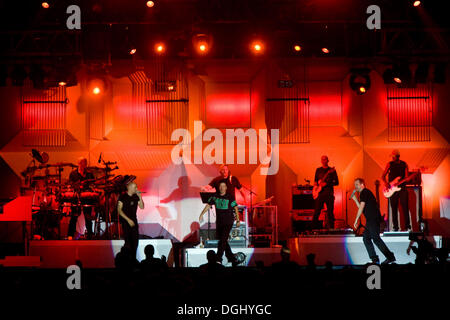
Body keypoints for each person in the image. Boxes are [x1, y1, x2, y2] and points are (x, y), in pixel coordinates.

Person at [351, 178, 396, 264]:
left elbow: (361, 207)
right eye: (355, 185)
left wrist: (356, 219)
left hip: (373, 219)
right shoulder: (364, 193)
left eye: (357, 184)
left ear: (362, 184)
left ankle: (390, 257)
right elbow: (362, 208)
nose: (355, 186)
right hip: (370, 220)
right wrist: (355, 200)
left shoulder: (364, 192)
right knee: (366, 238)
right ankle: (375, 259)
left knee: (376, 239)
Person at [199, 181, 240, 266]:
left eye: (223, 186)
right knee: (223, 241)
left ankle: (218, 259)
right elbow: (208, 205)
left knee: (222, 240)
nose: (221, 188)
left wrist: (238, 220)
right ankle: (232, 258)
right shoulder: (215, 196)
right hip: (220, 222)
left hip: (228, 221)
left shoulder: (230, 197)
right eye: (220, 186)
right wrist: (202, 214)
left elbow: (235, 208)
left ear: (226, 188)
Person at [382, 149, 411, 231]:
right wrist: (386, 183)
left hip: (402, 188)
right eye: (392, 156)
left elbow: (407, 177)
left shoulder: (404, 164)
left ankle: (407, 227)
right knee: (394, 208)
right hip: (392, 189)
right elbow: (383, 176)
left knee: (405, 207)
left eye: (394, 156)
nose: (392, 158)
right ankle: (395, 228)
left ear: (398, 156)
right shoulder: (389, 164)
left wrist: (404, 180)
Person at [67, 157, 95, 239]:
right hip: (76, 197)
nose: (85, 165)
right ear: (79, 163)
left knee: (88, 217)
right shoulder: (73, 174)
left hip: (87, 197)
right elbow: (71, 185)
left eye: (86, 163)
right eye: (83, 163)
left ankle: (90, 234)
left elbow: (93, 184)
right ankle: (70, 235)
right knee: (74, 217)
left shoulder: (89, 174)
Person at [118, 181, 144, 257]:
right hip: (126, 222)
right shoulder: (122, 197)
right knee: (128, 242)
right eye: (135, 187)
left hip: (134, 221)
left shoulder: (136, 196)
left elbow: (142, 207)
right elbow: (119, 210)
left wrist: (140, 197)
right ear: (129, 187)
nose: (136, 189)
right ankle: (128, 260)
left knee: (135, 241)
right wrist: (128, 220)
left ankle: (133, 258)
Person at [313, 155, 339, 229]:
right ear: (321, 161)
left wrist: (327, 184)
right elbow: (315, 182)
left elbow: (337, 182)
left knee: (330, 213)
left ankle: (332, 229)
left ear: (328, 160)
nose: (324, 161)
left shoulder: (332, 170)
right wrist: (315, 190)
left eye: (325, 159)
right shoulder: (318, 170)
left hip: (329, 194)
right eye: (322, 159)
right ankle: (313, 229)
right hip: (320, 194)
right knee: (317, 212)